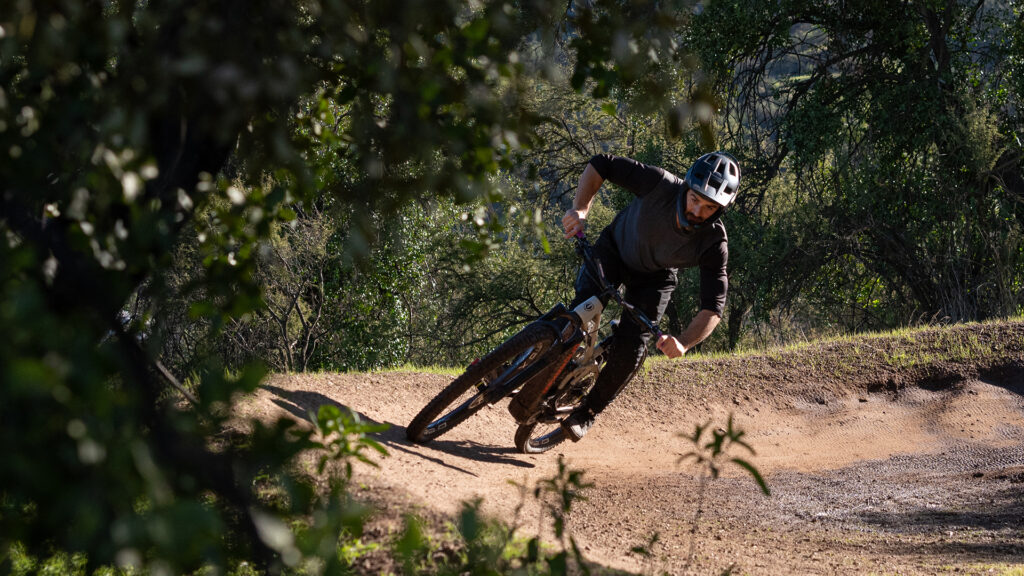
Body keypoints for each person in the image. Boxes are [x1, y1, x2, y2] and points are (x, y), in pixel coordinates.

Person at [559, 151, 740, 441]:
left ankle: (587, 412)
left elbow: (713, 307)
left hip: (655, 278)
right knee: (578, 313)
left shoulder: (714, 243)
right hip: (615, 248)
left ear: (720, 210)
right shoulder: (659, 183)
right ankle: (526, 360)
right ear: (686, 187)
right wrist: (580, 210)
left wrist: (683, 342)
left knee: (632, 348)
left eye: (709, 207)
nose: (697, 211)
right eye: (694, 199)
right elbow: (602, 164)